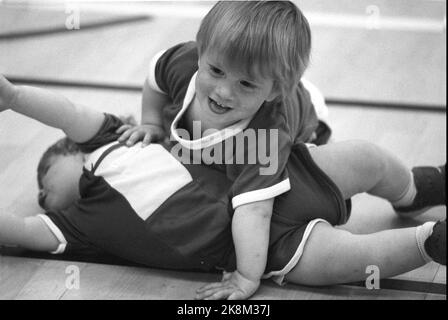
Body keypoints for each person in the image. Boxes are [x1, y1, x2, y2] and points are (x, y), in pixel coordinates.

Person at [0, 75, 445, 300]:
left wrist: (15, 97)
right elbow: (17, 228)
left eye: (45, 175)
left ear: (72, 151)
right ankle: (430, 241)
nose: (42, 194)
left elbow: (67, 111)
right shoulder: (74, 228)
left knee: (366, 158)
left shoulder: (112, 139)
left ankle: (417, 189)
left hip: (279, 177)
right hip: (264, 248)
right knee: (353, 261)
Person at [117, 0, 332, 299]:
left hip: (308, 119)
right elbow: (155, 78)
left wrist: (245, 276)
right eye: (216, 70)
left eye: (245, 83)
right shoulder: (183, 61)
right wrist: (151, 122)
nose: (224, 91)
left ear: (273, 91)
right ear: (200, 52)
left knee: (297, 177)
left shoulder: (267, 137)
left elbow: (254, 210)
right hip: (269, 92)